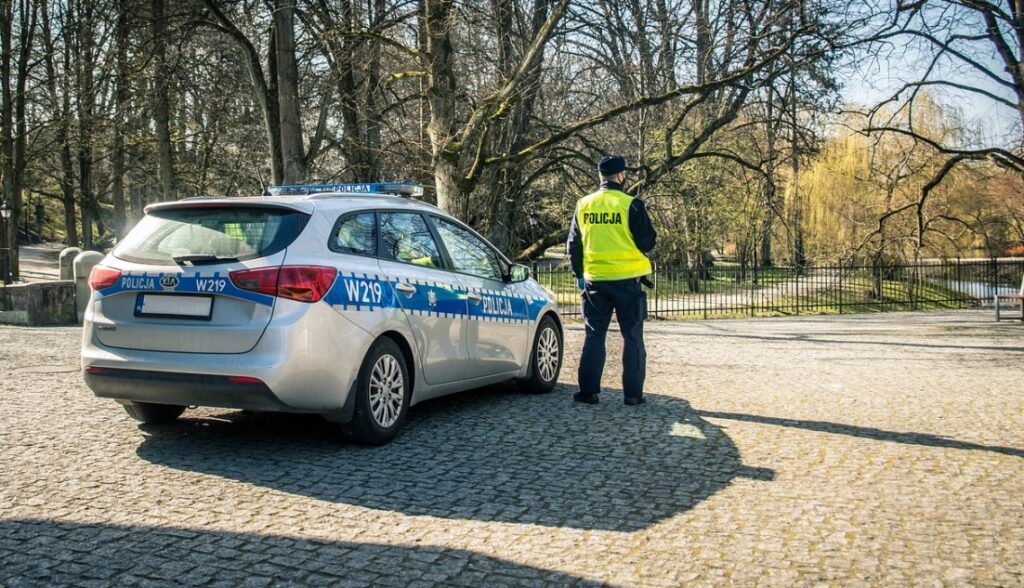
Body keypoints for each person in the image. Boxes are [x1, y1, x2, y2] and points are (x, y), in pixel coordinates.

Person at [566, 155, 656, 406]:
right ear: (621, 175)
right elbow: (648, 241)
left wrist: (579, 274)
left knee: (594, 334)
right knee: (633, 337)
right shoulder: (632, 205)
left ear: (600, 177)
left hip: (595, 281)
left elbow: (574, 245)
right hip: (628, 281)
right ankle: (633, 395)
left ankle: (588, 392)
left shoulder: (584, 205)